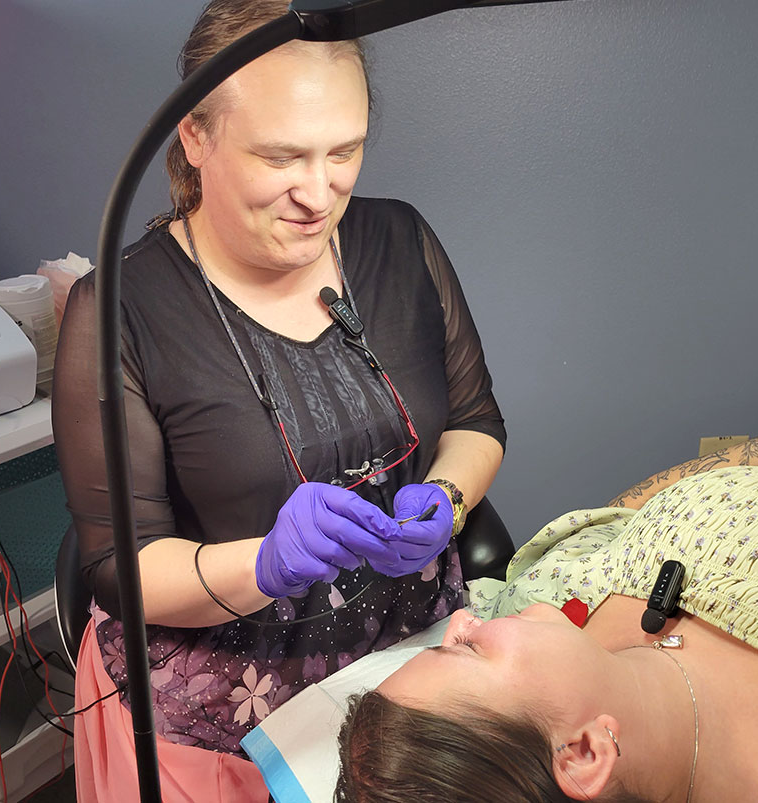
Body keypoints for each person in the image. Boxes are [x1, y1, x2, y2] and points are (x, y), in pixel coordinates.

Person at [52, 0, 505, 797]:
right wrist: (264, 564)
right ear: (196, 136)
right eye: (282, 157)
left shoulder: (400, 240)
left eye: (346, 151)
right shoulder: (118, 308)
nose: (319, 192)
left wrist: (447, 496)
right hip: (220, 703)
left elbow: (475, 422)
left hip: (399, 660)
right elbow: (119, 568)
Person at [336, 366, 758, 803]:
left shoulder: (548, 599)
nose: (461, 620)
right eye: (461, 652)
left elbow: (632, 511)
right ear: (586, 753)